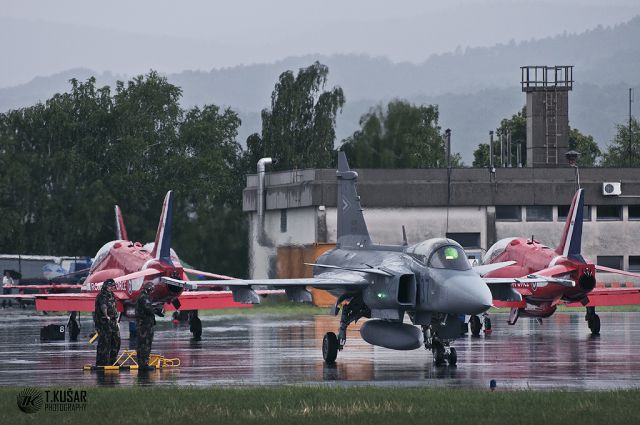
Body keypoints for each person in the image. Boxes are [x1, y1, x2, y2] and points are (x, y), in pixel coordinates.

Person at [94, 279, 121, 366]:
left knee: (116, 340)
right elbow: (103, 306)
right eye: (110, 286)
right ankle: (102, 362)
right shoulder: (102, 295)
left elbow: (114, 307)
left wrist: (115, 318)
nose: (111, 288)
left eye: (112, 286)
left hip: (113, 321)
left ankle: (112, 361)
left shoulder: (112, 295)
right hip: (103, 321)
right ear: (105, 286)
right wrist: (106, 316)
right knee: (104, 342)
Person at [136, 282, 157, 371]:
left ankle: (142, 364)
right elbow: (148, 308)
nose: (152, 291)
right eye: (151, 289)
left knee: (142, 344)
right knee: (145, 344)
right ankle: (144, 364)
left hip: (143, 324)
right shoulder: (144, 297)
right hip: (145, 325)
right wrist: (156, 309)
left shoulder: (142, 296)